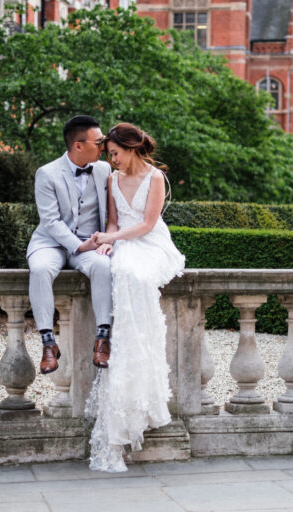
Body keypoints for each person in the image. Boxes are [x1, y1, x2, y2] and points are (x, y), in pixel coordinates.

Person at [85, 122, 185, 472]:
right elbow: (113, 222)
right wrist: (108, 239)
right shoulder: (112, 179)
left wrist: (117, 238)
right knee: (116, 270)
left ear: (130, 148)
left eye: (115, 153)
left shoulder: (155, 178)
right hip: (124, 241)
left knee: (134, 276)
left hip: (149, 243)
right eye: (109, 155)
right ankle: (120, 364)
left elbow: (145, 224)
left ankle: (140, 376)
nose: (111, 161)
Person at [27, 115, 114, 375]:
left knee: (102, 265)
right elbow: (50, 221)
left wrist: (102, 241)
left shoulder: (104, 170)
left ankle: (102, 338)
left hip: (91, 242)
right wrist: (78, 245)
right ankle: (48, 343)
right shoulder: (47, 173)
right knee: (40, 270)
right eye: (99, 142)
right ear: (78, 144)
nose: (104, 147)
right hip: (51, 243)